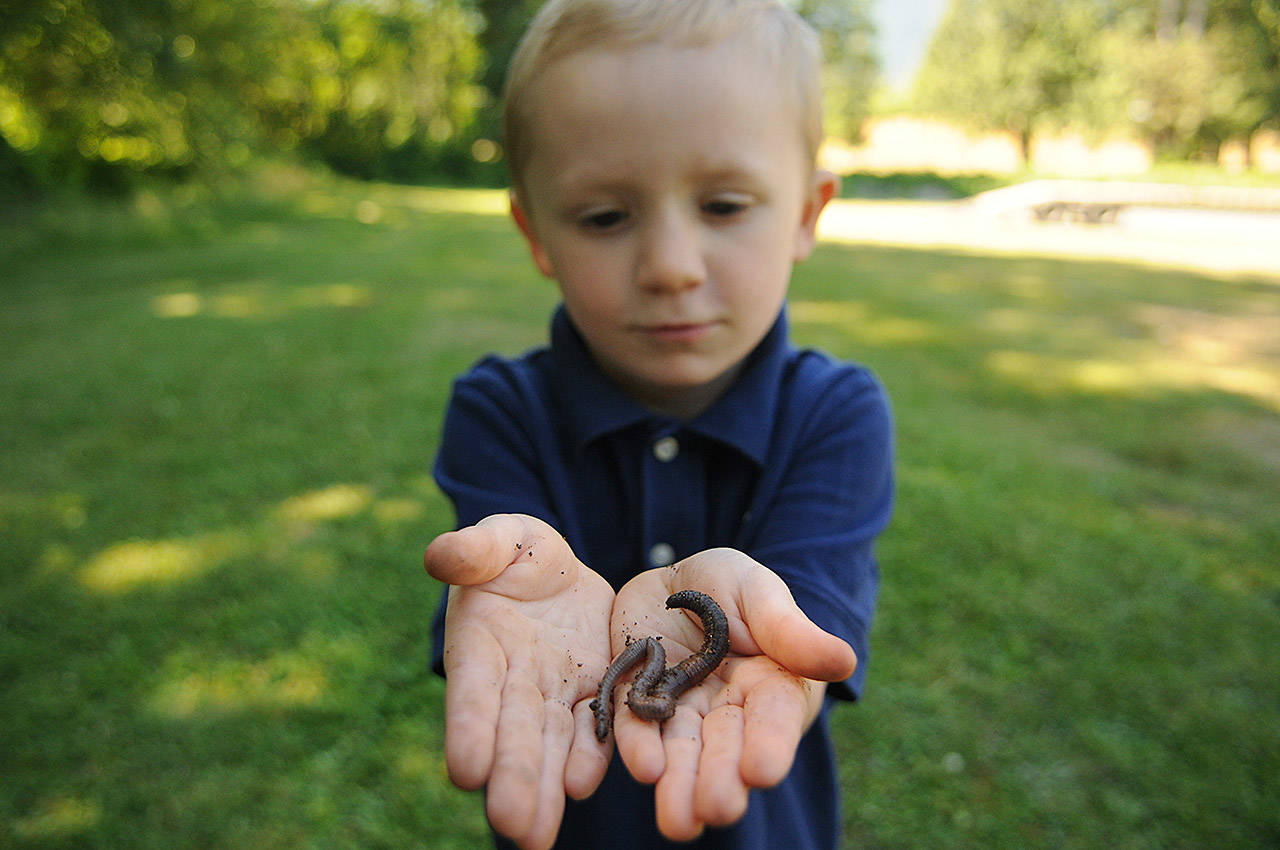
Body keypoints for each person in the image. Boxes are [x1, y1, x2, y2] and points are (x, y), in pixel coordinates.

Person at [422, 1, 894, 848]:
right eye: (606, 217)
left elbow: (806, 637)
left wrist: (770, 628)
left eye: (723, 204)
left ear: (806, 214)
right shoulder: (497, 412)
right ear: (536, 236)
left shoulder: (838, 414)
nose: (671, 267)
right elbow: (493, 602)